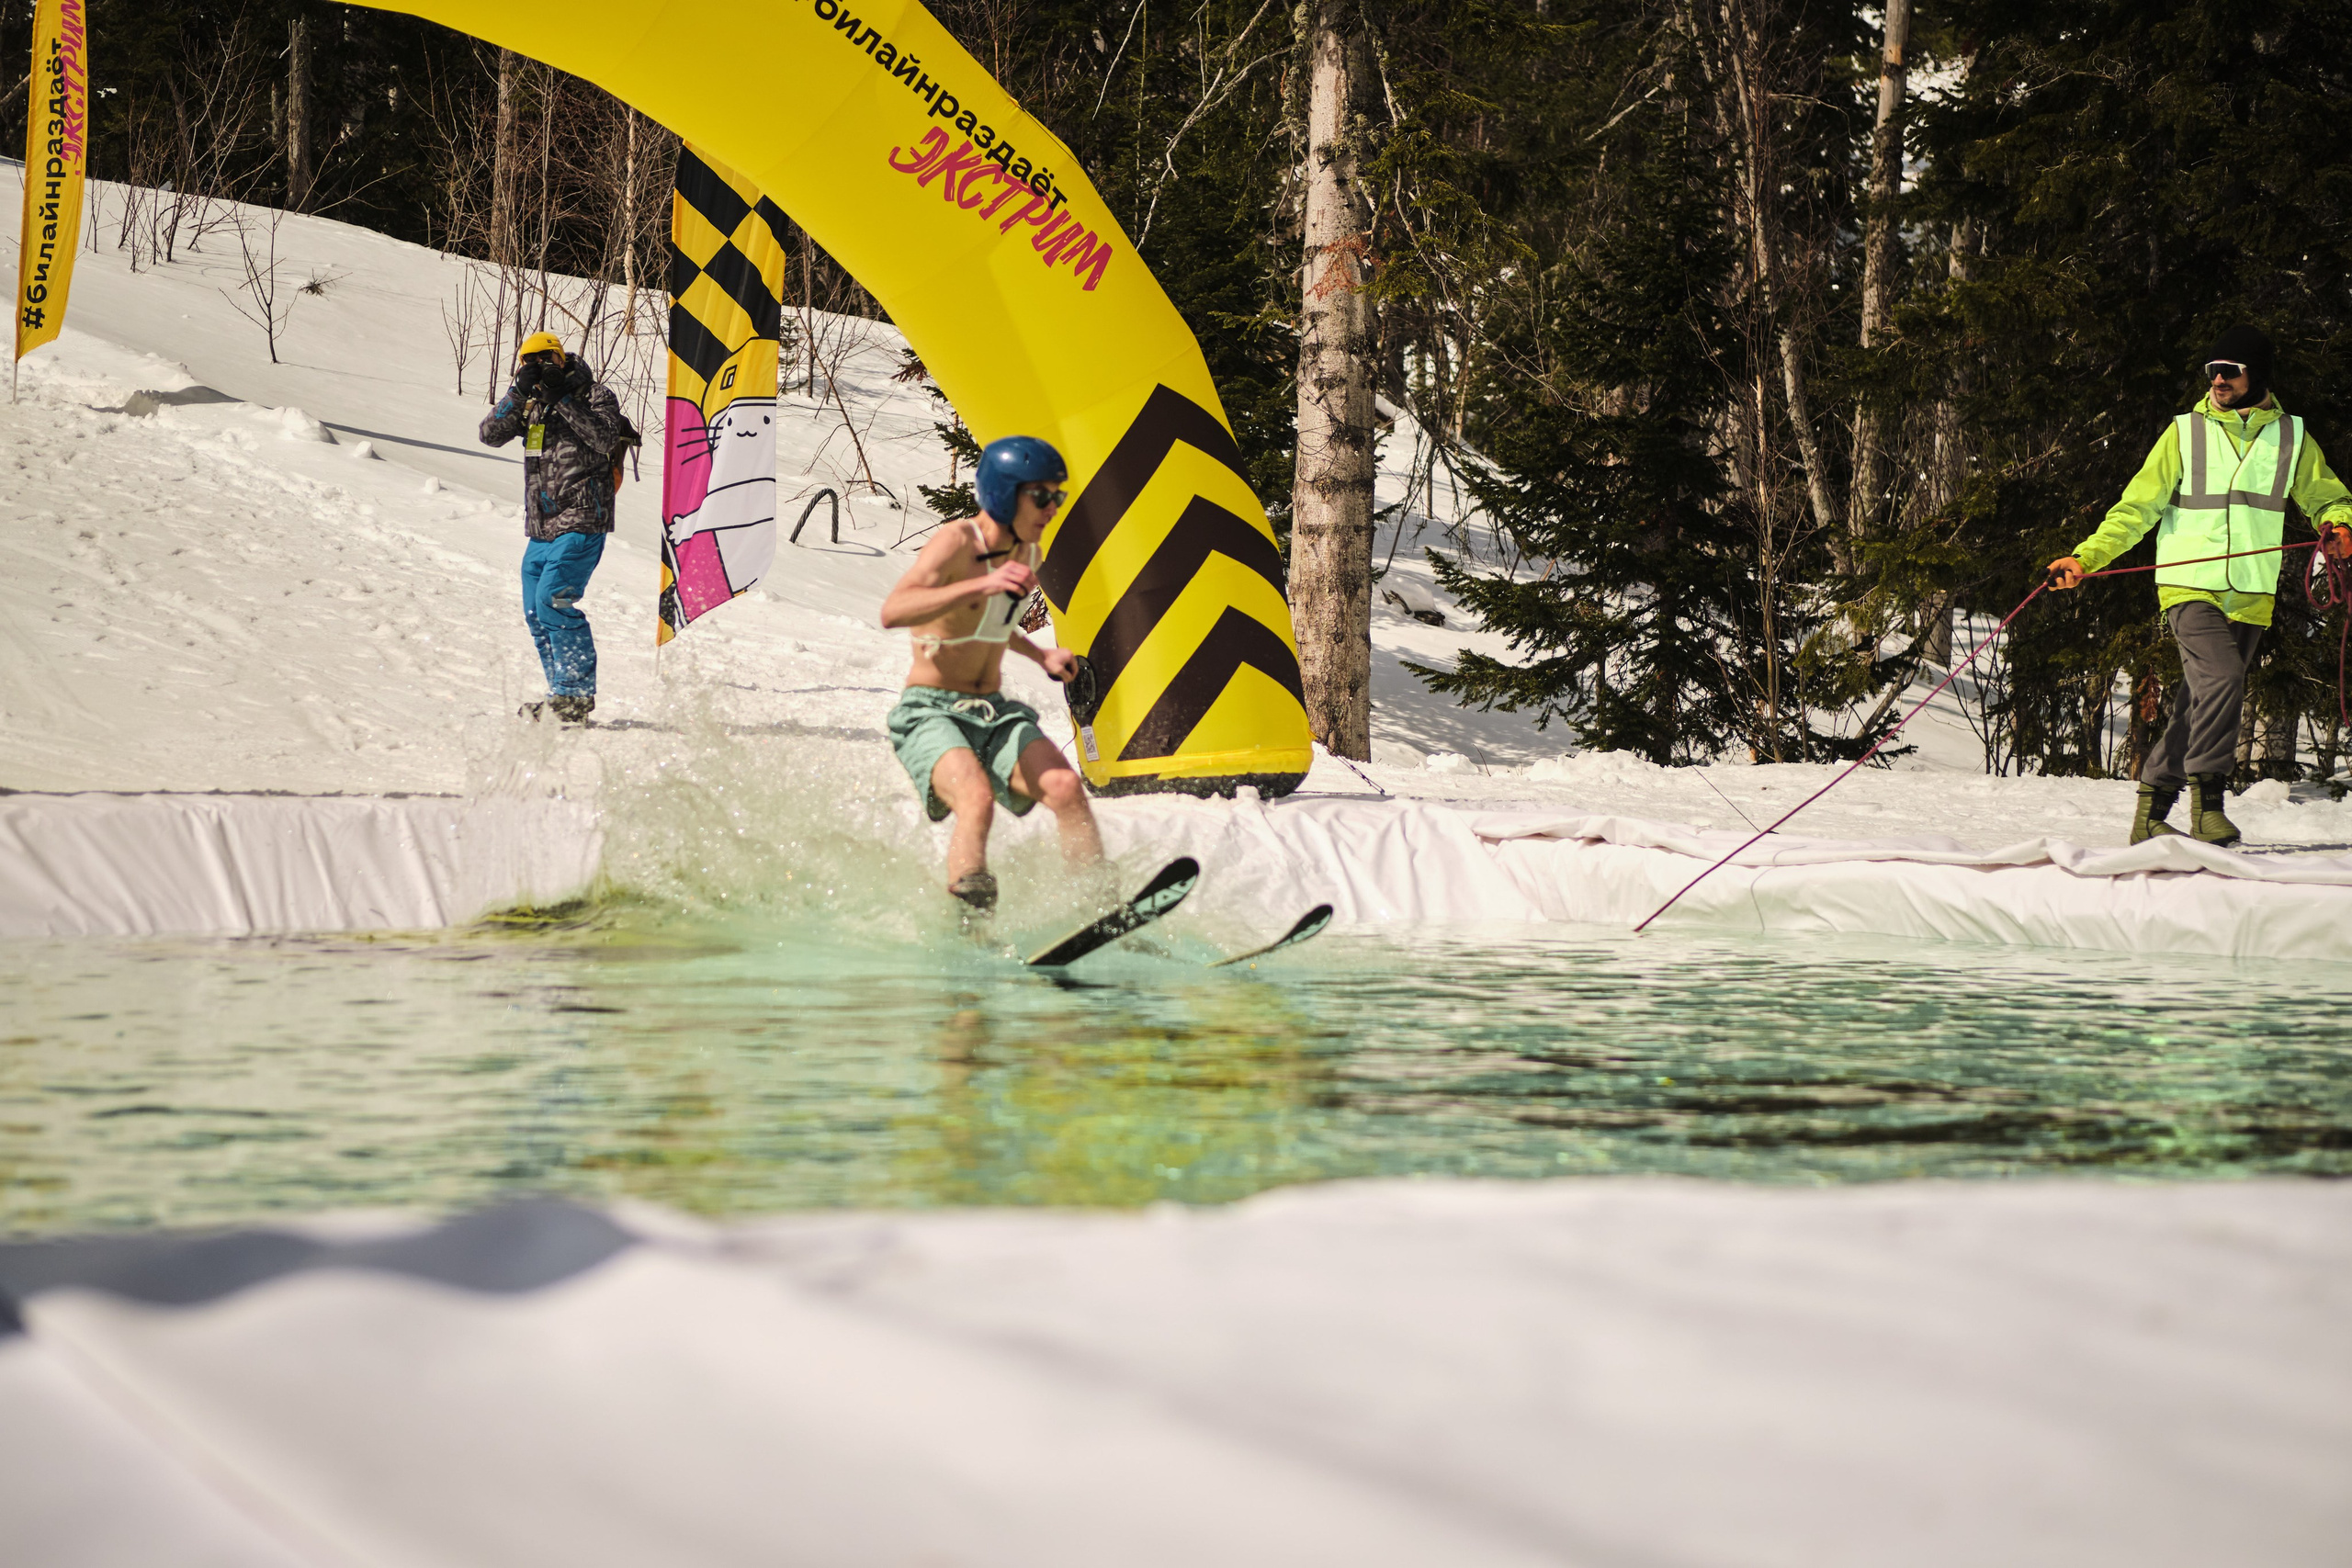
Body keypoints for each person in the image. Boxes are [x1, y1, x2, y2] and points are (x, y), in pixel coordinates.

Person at [2050, 328, 2352, 846]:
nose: (2218, 379)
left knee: (2201, 698)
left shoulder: (2290, 436)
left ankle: (2150, 810)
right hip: (2189, 584)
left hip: (2251, 593)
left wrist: (2340, 527)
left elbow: (2327, 497)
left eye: (2230, 370)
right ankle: (2207, 806)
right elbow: (2135, 509)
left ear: (2256, 374)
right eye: (2213, 369)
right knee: (2224, 677)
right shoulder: (2185, 432)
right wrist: (2086, 558)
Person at [879, 434, 1102, 914]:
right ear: (1004, 493)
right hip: (930, 710)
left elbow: (991, 624)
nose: (1052, 507)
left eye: (1057, 496)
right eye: (1041, 496)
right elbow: (895, 610)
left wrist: (1040, 656)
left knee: (1065, 788)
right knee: (976, 798)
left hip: (993, 712)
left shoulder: (1028, 553)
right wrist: (983, 581)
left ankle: (1098, 910)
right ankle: (969, 927)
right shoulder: (958, 542)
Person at [479, 331, 634, 726]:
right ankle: (561, 697)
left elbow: (602, 438)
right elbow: (488, 435)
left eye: (546, 358)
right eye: (529, 362)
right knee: (535, 610)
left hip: (583, 517)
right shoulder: (530, 405)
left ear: (561, 358)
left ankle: (575, 696)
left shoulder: (595, 395)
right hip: (542, 526)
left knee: (554, 600)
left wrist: (561, 398)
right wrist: (519, 393)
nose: (540, 366)